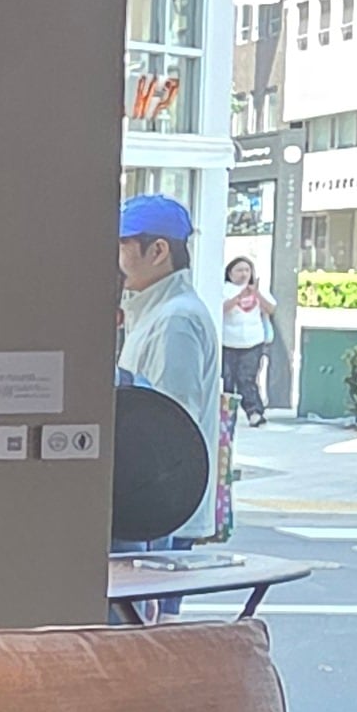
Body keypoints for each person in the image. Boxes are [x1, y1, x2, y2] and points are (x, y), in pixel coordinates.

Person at [117, 193, 224, 541]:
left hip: (160, 514)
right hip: (154, 506)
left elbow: (169, 429)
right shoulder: (158, 312)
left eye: (122, 244)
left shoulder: (175, 320)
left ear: (158, 251)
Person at [219, 251, 280, 429]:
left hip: (253, 341)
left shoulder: (258, 290)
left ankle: (254, 413)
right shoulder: (224, 289)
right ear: (230, 273)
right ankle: (226, 415)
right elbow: (220, 309)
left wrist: (257, 294)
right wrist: (238, 297)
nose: (244, 274)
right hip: (228, 342)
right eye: (239, 270)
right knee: (227, 380)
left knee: (247, 379)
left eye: (247, 270)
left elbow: (271, 309)